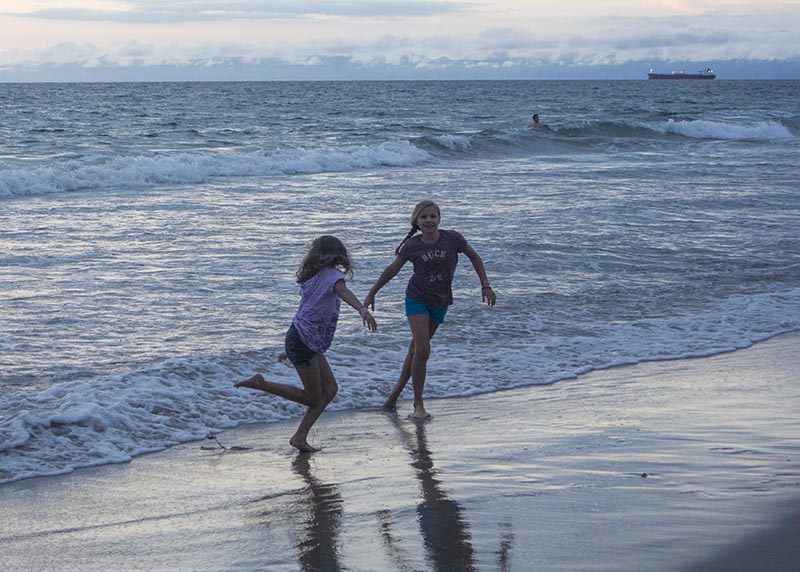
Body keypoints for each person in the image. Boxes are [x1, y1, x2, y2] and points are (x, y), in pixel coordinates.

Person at [235, 235, 377, 452]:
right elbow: (343, 292)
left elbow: (308, 309)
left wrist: (290, 348)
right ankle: (261, 384)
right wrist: (362, 310)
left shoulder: (312, 278)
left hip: (303, 339)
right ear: (339, 254)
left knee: (330, 389)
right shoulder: (334, 276)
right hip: (303, 341)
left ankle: (300, 436)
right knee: (312, 398)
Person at [363, 200, 496, 420]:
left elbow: (474, 257)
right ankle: (418, 404)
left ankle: (393, 396)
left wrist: (485, 285)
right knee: (423, 350)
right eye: (424, 217)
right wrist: (372, 292)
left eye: (433, 216)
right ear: (416, 221)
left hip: (440, 301)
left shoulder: (453, 239)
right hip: (416, 299)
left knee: (416, 350)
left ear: (439, 218)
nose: (429, 220)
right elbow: (392, 270)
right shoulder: (412, 246)